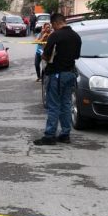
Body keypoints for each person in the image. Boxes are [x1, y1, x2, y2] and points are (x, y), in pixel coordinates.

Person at [32, 13, 82, 146]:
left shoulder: (55, 36)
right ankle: (65, 134)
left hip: (56, 75)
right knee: (66, 104)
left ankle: (49, 136)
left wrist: (46, 55)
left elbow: (45, 57)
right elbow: (76, 56)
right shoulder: (76, 36)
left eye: (53, 26)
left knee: (53, 105)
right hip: (70, 74)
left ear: (55, 24)